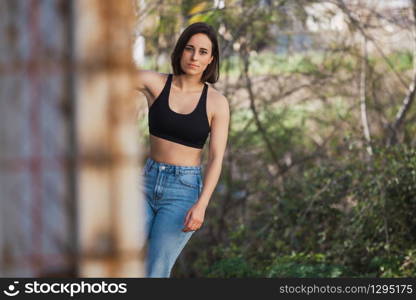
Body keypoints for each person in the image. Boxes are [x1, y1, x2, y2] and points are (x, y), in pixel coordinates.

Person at [136, 22, 230, 278]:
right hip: (145, 183)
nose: (194, 57)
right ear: (180, 51)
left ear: (211, 59)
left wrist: (202, 205)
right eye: (189, 48)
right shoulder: (155, 84)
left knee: (155, 271)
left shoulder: (217, 103)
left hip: (183, 192)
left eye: (202, 52)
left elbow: (216, 158)